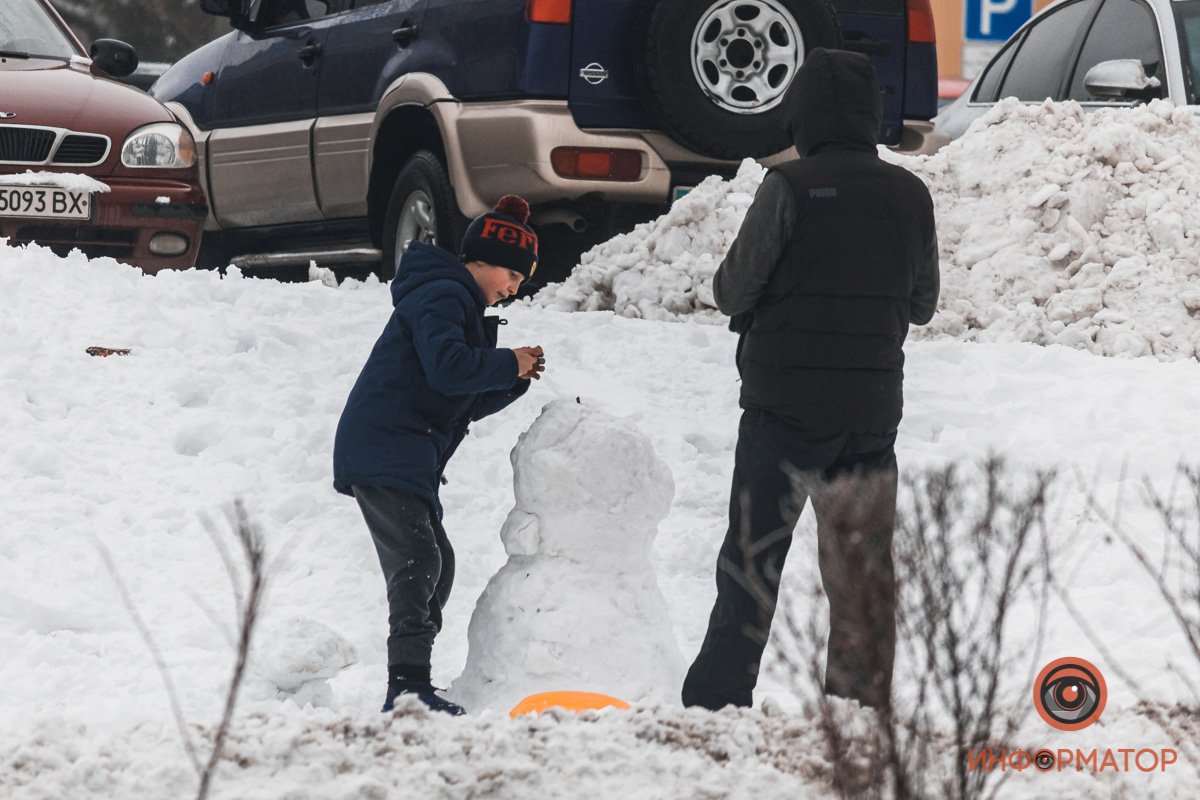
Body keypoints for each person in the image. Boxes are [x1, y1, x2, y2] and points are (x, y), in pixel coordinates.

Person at [682, 48, 940, 711]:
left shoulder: (789, 186)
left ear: (804, 115)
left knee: (752, 564)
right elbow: (922, 304)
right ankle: (857, 707)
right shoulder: (910, 194)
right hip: (870, 414)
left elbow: (732, 290)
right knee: (862, 575)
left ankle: (717, 702)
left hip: (783, 413)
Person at [333, 195, 545, 716]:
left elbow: (457, 399)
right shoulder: (444, 295)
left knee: (437, 564)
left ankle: (413, 680)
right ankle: (406, 688)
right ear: (480, 259)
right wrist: (502, 363)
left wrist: (513, 378)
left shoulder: (456, 303)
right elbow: (451, 368)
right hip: (387, 446)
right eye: (512, 275)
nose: (514, 289)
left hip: (407, 451)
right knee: (418, 561)